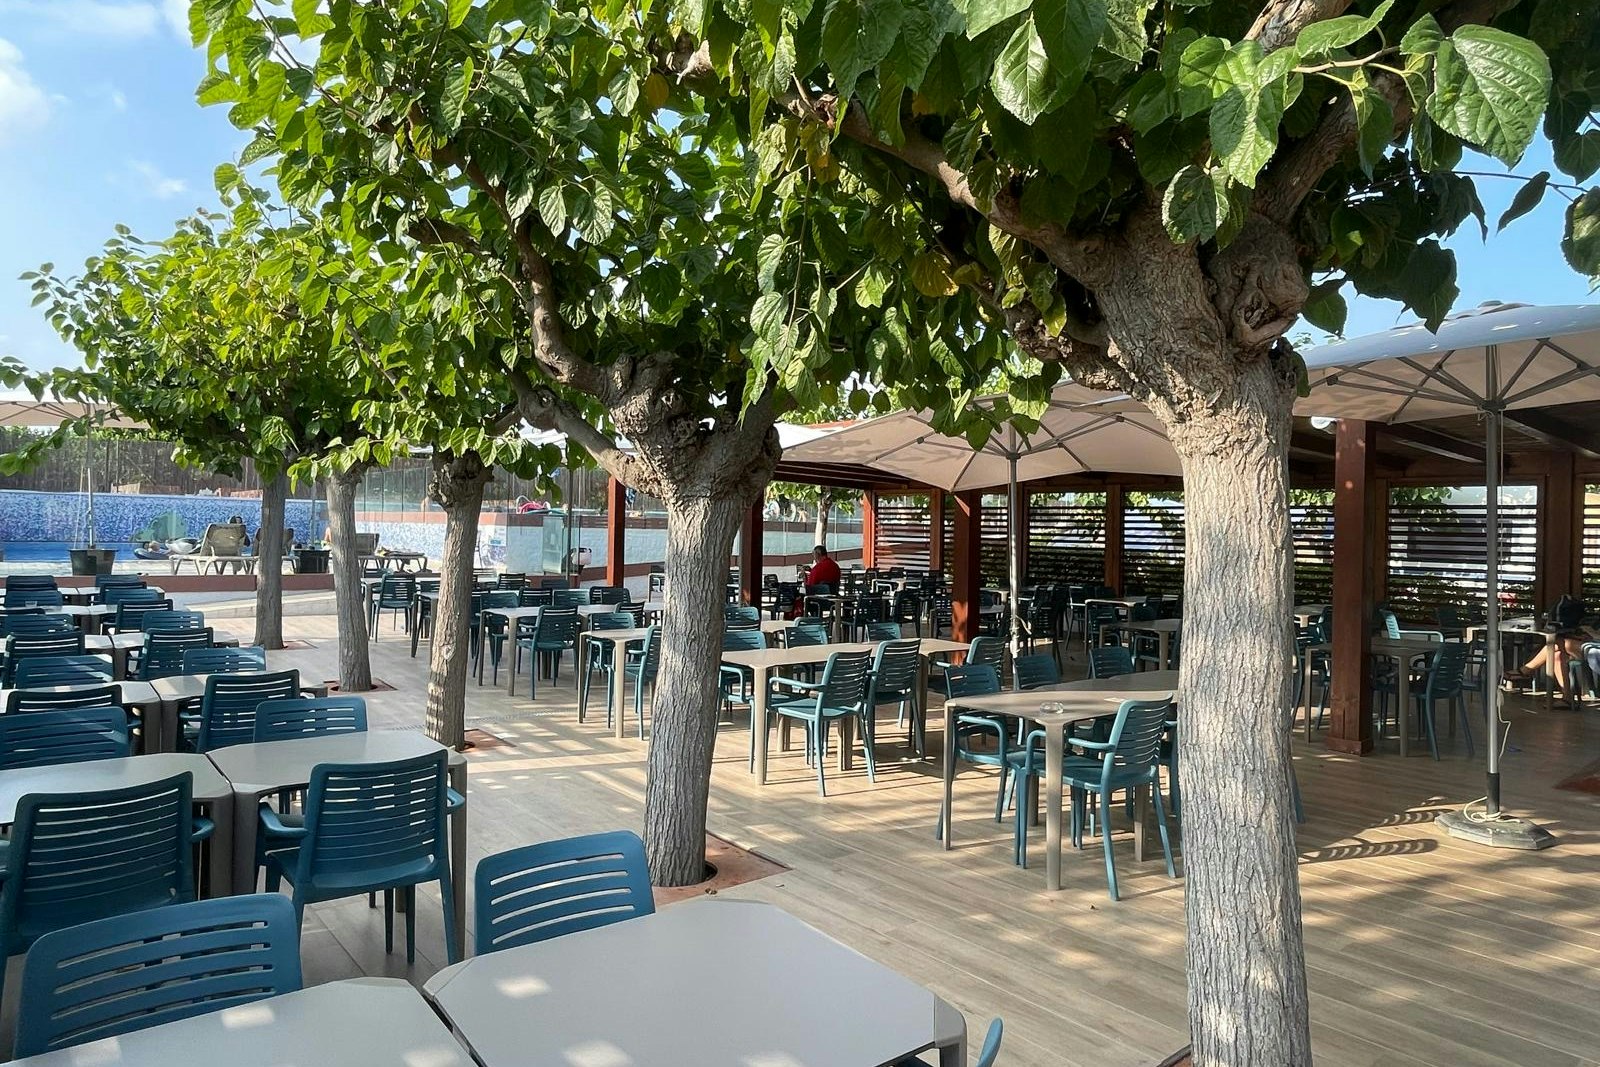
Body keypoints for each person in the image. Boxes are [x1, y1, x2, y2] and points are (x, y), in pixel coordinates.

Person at [1518, 593, 1593, 703]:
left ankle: (1525, 671)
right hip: (1591, 644)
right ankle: (1567, 698)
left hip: (1595, 649)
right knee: (1556, 655)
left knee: (1556, 643)